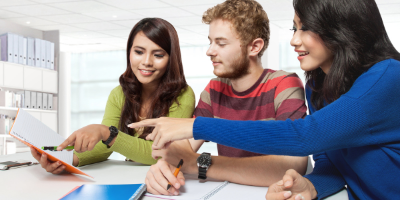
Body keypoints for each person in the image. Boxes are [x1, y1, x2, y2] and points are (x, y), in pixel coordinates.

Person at [129, 0, 400, 199]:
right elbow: (329, 159)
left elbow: (305, 137)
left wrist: (197, 127)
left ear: (340, 29)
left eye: (305, 28)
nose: (294, 40)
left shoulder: (388, 76)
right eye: (295, 28)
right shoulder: (319, 86)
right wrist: (312, 186)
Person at [135, 0, 308, 196]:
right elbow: (183, 148)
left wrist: (200, 164)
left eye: (221, 43)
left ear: (254, 47)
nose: (210, 51)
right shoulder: (214, 89)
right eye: (210, 41)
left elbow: (293, 163)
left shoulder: (284, 84)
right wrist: (162, 167)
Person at [30, 18, 195, 174]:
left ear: (171, 58)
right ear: (129, 52)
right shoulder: (119, 94)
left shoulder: (183, 96)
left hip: (165, 181)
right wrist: (65, 160)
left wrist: (108, 133)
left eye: (158, 55)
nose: (146, 61)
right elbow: (104, 146)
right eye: (138, 52)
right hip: (130, 178)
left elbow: (161, 153)